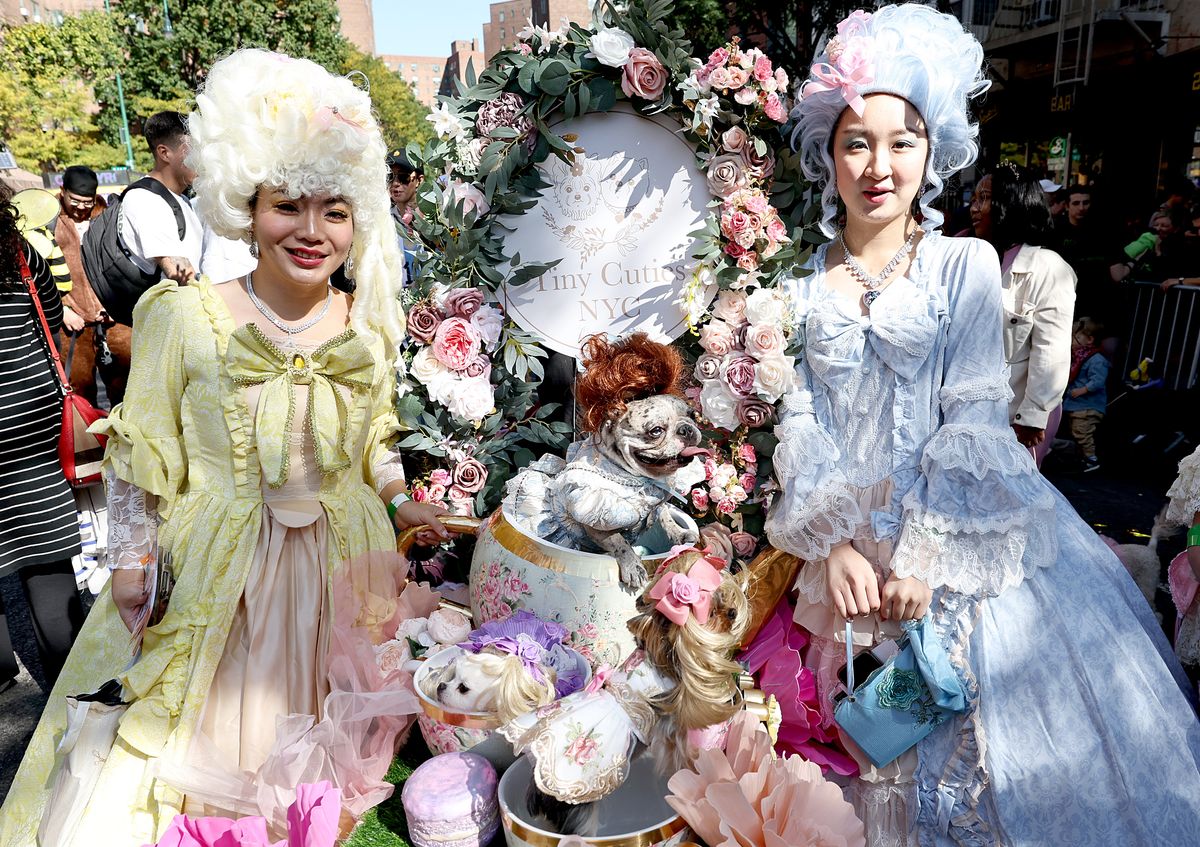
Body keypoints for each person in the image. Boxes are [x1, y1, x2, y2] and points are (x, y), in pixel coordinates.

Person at [767, 6, 1200, 844]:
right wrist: (835, 543)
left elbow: (972, 412)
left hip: (963, 541)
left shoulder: (962, 263)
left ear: (932, 153)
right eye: (857, 141)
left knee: (978, 755)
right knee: (863, 745)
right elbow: (799, 413)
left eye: (902, 141)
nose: (879, 164)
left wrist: (927, 556)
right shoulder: (796, 281)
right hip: (845, 556)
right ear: (828, 153)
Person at [0, 49, 448, 845]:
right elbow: (141, 456)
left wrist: (398, 493)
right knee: (194, 774)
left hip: (346, 568)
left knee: (329, 780)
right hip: (220, 572)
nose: (312, 231)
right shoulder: (184, 314)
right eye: (289, 205)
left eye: (334, 211)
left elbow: (373, 439)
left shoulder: (368, 326)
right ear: (247, 205)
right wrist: (135, 568)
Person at [0, 181, 85, 691]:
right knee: (45, 555)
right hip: (30, 417)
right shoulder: (19, 251)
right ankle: (69, 686)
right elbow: (52, 314)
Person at [969, 162, 1076, 468]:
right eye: (974, 199)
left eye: (985, 198)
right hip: (970, 410)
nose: (975, 208)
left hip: (1018, 414)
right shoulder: (972, 256)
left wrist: (1032, 416)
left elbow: (1051, 352)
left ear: (1010, 203)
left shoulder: (1048, 267)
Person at [117, 111, 203, 287]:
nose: (201, 158)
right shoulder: (146, 200)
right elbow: (179, 273)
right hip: (174, 310)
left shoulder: (180, 199)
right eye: (194, 150)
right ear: (164, 153)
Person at [1060, 317, 1108, 472]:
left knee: (1082, 432)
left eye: (1078, 337)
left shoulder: (1096, 359)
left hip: (1087, 406)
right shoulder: (1078, 357)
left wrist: (1083, 390)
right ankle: (1082, 458)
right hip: (1077, 405)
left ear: (1089, 340)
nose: (1074, 340)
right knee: (1076, 431)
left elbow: (1098, 380)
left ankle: (1091, 459)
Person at [387, 149, 423, 283]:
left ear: (419, 180)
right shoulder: (382, 222)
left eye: (403, 177)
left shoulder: (435, 219)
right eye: (390, 177)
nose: (395, 183)